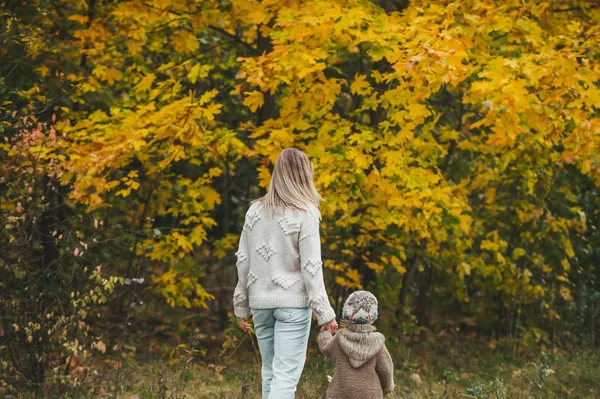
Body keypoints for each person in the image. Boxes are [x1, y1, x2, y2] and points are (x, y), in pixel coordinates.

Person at [233, 148, 338, 399]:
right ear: (305, 175)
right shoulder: (306, 212)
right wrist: (325, 313)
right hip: (292, 305)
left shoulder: (254, 211)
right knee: (285, 376)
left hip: (260, 304)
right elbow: (311, 267)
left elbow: (243, 260)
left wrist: (241, 305)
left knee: (270, 372)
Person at [318, 290, 395, 398]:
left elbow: (326, 348)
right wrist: (387, 388)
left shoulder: (340, 337)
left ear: (347, 313)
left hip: (340, 394)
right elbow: (386, 370)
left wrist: (325, 332)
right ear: (372, 316)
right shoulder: (377, 343)